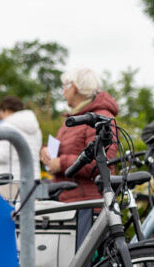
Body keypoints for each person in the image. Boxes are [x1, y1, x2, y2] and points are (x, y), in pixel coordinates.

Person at [39, 67, 119, 203]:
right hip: (71, 199)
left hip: (87, 203)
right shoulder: (76, 117)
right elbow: (66, 148)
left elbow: (102, 161)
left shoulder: (100, 118)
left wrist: (61, 163)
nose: (63, 91)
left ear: (74, 88)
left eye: (65, 86)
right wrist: (46, 151)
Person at [0, 96, 42, 199]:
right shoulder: (36, 129)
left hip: (11, 182)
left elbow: (3, 156)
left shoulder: (6, 126)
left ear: (5, 110)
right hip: (33, 180)